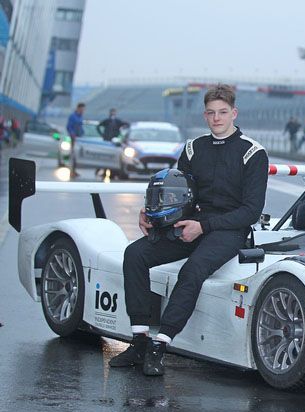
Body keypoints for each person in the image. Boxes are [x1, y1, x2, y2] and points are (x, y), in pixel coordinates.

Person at [109, 84, 269, 376]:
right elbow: (178, 194)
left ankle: (161, 345)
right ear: (205, 115)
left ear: (234, 113)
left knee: (193, 269)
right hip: (189, 224)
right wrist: (152, 216)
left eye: (222, 112)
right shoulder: (194, 148)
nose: (217, 118)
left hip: (229, 231)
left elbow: (251, 212)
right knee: (135, 254)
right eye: (211, 113)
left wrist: (204, 226)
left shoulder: (253, 153)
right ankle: (140, 340)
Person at [66, 103, 86, 176]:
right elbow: (69, 127)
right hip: (73, 138)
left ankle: (74, 170)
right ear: (78, 108)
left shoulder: (81, 116)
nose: (83, 110)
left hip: (79, 138)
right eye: (82, 109)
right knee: (72, 154)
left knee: (76, 154)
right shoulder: (73, 116)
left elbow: (81, 127)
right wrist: (72, 134)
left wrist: (82, 133)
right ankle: (71, 171)